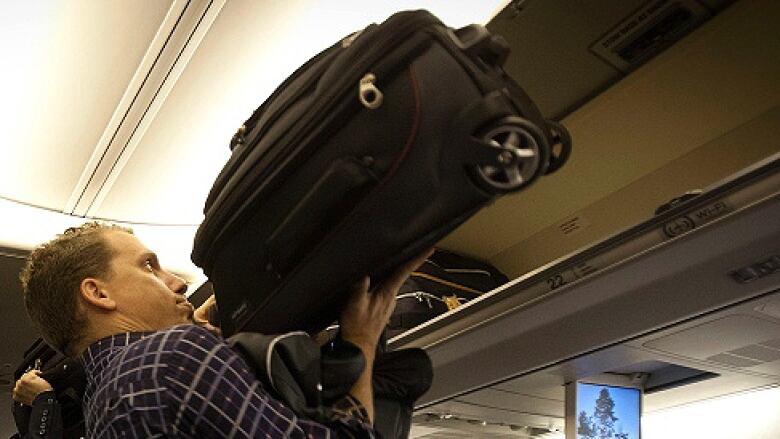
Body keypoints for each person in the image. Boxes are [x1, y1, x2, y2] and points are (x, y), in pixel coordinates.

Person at [20, 222, 430, 438]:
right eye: (148, 266)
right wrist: (362, 337)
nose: (177, 282)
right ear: (98, 293)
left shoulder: (101, 401)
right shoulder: (173, 357)